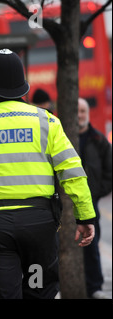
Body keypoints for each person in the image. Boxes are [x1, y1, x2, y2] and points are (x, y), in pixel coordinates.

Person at [0, 49, 96, 299]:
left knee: (3, 293)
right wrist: (85, 216)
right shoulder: (47, 122)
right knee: (38, 290)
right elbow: (72, 172)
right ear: (23, 89)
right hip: (39, 226)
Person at [78, 98, 112, 299]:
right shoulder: (62, 138)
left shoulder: (99, 139)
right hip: (66, 205)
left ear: (87, 114)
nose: (80, 115)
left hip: (91, 202)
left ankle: (94, 287)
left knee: (92, 244)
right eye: (76, 111)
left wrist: (98, 192)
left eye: (83, 111)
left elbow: (110, 171)